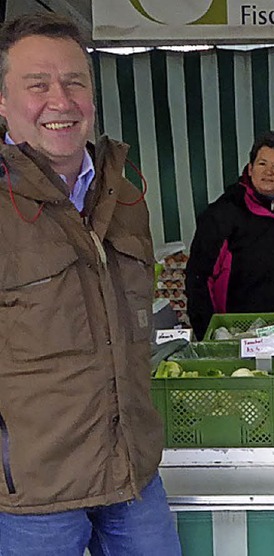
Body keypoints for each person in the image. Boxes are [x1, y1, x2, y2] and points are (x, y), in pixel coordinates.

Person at [0, 13, 181, 556]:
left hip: (132, 477)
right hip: (36, 493)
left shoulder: (122, 196)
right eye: (37, 85)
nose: (60, 99)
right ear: (3, 103)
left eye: (74, 82)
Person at [186, 131, 274, 340]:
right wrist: (208, 332)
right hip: (236, 331)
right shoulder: (222, 214)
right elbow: (198, 279)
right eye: (262, 164)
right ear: (250, 168)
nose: (269, 172)